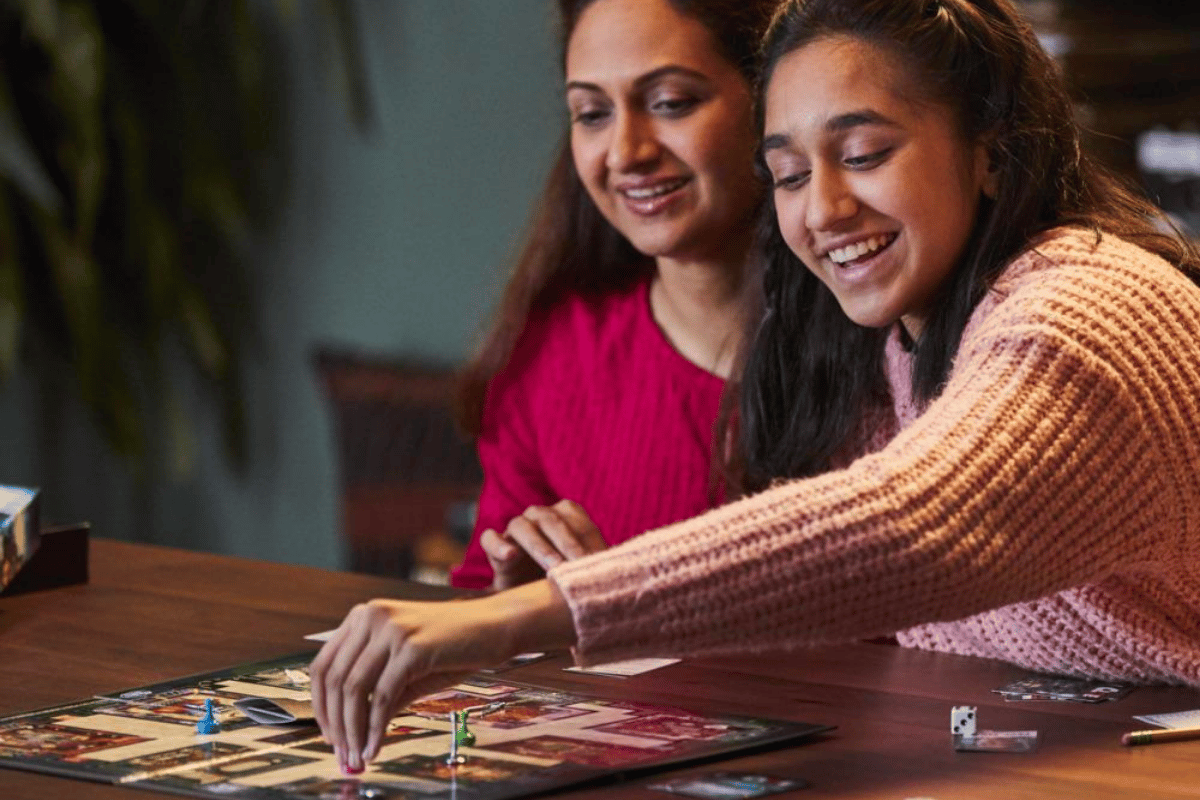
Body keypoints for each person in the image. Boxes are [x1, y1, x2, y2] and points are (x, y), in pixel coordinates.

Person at [312, 0, 1200, 772]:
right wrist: (622, 604)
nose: (822, 210)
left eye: (862, 153)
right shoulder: (900, 337)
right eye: (787, 174)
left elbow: (911, 527)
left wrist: (532, 617)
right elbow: (847, 605)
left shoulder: (1083, 311)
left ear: (991, 152)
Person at [449, 0, 774, 591]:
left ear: (771, 95)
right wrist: (515, 607)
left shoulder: (891, 352)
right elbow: (476, 608)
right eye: (593, 113)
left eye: (671, 103)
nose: (627, 152)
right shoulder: (552, 352)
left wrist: (621, 604)